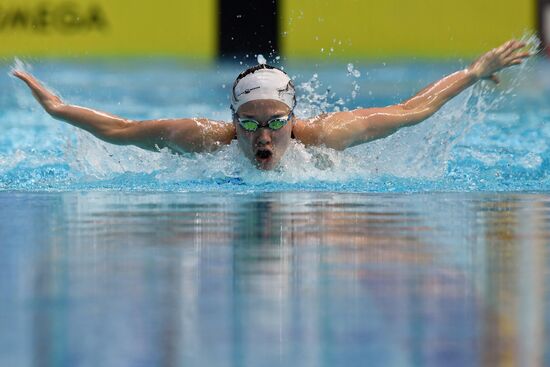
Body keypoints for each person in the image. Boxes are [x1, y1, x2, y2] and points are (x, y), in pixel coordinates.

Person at [13, 40, 531, 170]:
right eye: (250, 124)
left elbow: (414, 107)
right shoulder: (203, 138)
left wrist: (473, 73)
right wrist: (58, 109)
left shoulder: (327, 136)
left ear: (293, 118)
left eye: (276, 121)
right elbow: (124, 129)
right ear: (232, 121)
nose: (263, 136)